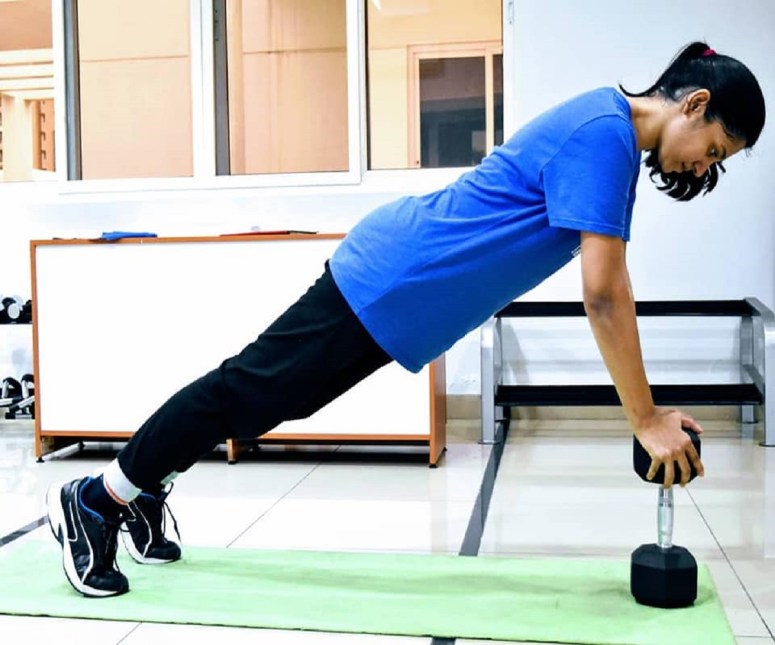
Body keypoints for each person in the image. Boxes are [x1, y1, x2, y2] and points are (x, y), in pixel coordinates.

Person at [47, 41, 765, 598]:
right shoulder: (603, 135)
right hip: (390, 275)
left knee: (269, 399)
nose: (702, 168)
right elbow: (604, 295)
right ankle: (97, 499)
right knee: (249, 390)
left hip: (399, 290)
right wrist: (643, 417)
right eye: (712, 150)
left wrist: (646, 410)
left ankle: (142, 486)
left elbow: (611, 285)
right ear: (694, 104)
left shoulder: (610, 138)